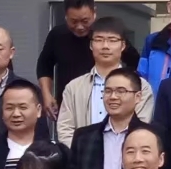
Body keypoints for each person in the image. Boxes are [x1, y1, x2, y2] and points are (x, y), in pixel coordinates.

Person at [60, 17, 154, 147]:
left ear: (123, 45)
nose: (105, 46)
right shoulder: (74, 87)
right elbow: (65, 129)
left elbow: (141, 126)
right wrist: (84, 152)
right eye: (99, 40)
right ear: (91, 45)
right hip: (84, 156)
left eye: (112, 40)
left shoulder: (141, 86)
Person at [70, 69, 153, 169]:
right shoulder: (83, 137)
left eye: (121, 91)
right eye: (108, 91)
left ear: (138, 97)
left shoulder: (152, 136)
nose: (113, 97)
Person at [36, 0, 98, 112]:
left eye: (85, 21)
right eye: (73, 21)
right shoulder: (57, 35)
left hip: (100, 105)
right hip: (67, 105)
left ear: (94, 13)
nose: (79, 27)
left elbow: (133, 61)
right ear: (66, 16)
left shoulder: (107, 35)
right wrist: (46, 94)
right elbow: (44, 66)